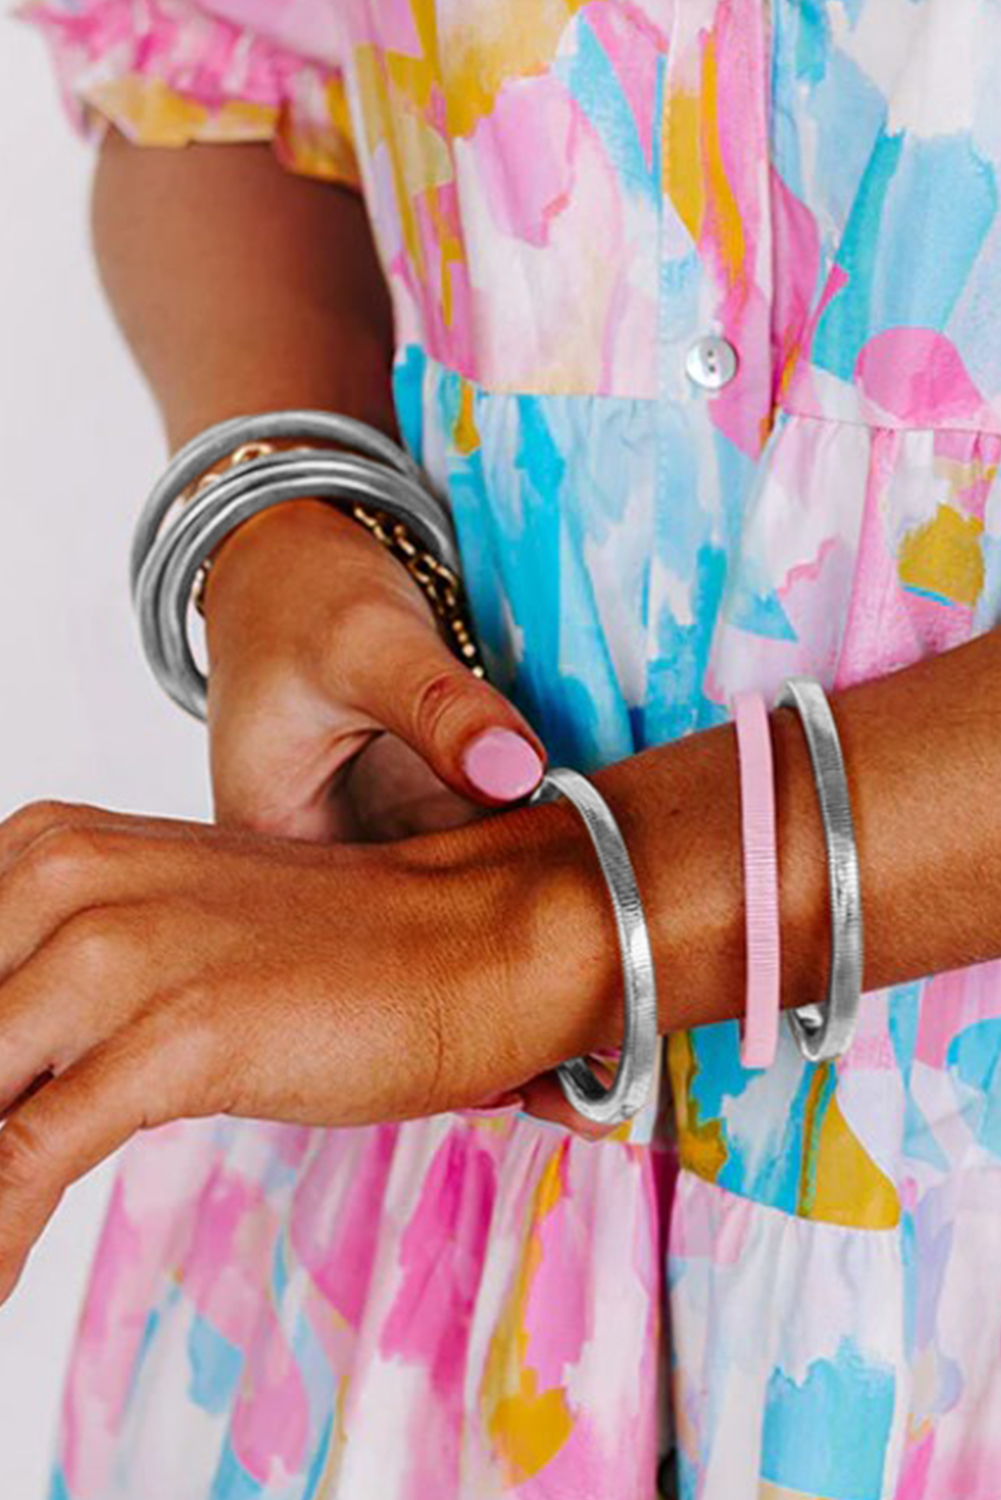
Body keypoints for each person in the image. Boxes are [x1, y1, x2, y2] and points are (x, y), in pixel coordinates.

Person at [9, 1, 1001, 1496]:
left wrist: (526, 930)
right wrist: (285, 515)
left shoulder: (468, 942)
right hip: (428, 1232)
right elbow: (227, 83)